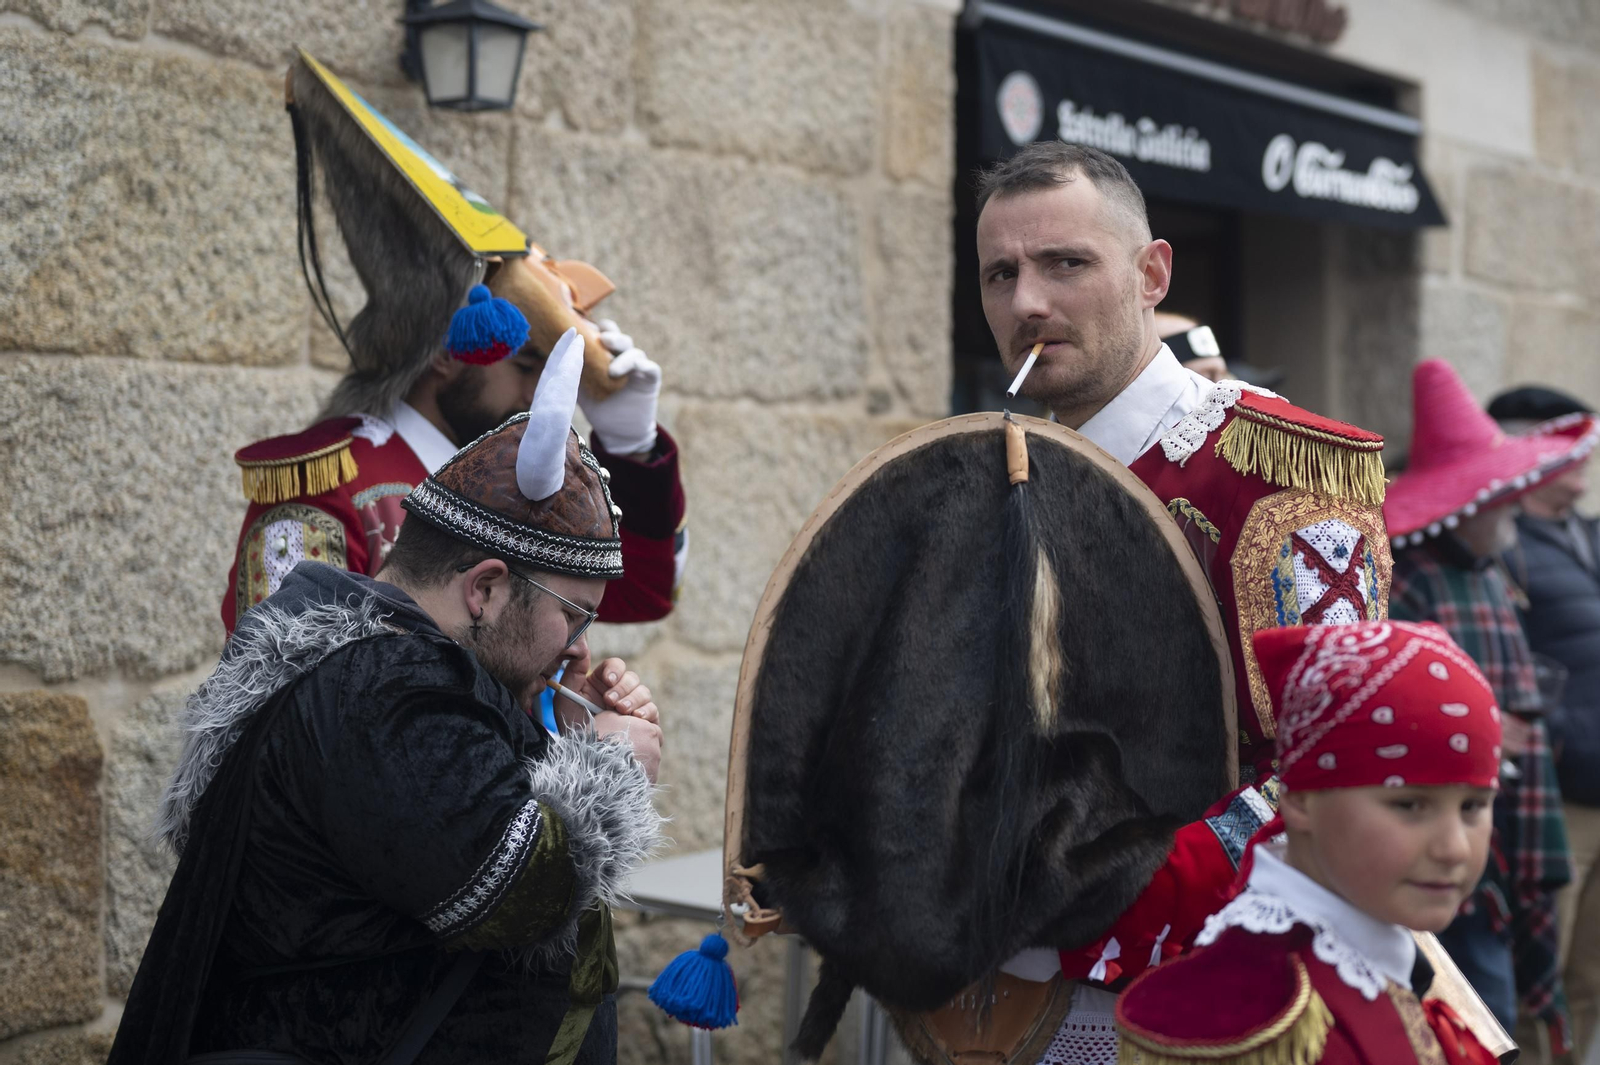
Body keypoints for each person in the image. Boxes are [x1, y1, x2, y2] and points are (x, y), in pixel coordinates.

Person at [107, 332, 664, 1065]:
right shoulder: (386, 691)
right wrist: (611, 766)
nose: (581, 645)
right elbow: (514, 886)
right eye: (575, 613)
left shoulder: (405, 674)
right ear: (486, 588)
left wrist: (559, 729)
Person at [974, 140, 1393, 1058]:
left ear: (1151, 273)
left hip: (1220, 991)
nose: (1027, 303)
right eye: (1000, 273)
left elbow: (1335, 763)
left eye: (1065, 264)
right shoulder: (986, 475)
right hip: (999, 983)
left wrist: (1106, 882)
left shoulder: (1275, 468)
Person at [223, 59, 685, 637]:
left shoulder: (516, 481)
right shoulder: (327, 484)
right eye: (524, 365)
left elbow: (639, 595)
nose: (539, 395)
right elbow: (291, 697)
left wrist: (631, 446)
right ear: (446, 352)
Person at [1116, 619, 1503, 1065]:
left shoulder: (1367, 963)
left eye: (1473, 807)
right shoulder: (1247, 1014)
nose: (1454, 848)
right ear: (1299, 801)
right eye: (1409, 805)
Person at [1385, 360, 1599, 1060]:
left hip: (1510, 819)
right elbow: (1394, 702)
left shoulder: (1485, 569)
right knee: (1479, 1017)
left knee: (1522, 1009)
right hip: (1456, 841)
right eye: (1500, 496)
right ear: (1469, 501)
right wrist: (1478, 727)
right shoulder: (1411, 579)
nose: (1512, 506)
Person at [1491, 386, 1600, 1061]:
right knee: (1540, 984)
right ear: (1530, 447)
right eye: (1571, 439)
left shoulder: (1589, 532)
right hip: (1555, 797)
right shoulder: (1500, 541)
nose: (1587, 454)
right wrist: (1557, 738)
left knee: (1590, 982)